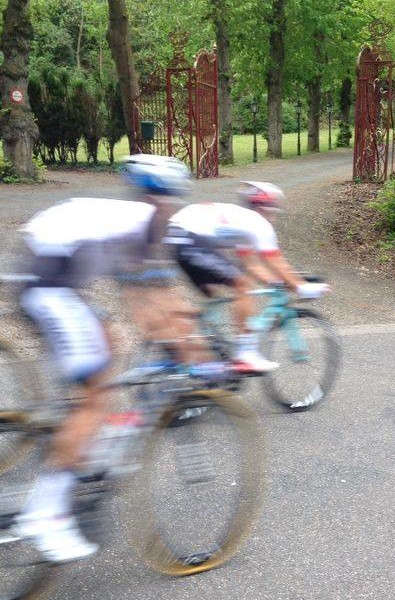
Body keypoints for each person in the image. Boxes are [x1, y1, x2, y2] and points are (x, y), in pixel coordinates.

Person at [14, 154, 204, 562]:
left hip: (56, 283)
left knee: (109, 343)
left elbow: (155, 293)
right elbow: (147, 305)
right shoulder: (142, 223)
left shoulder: (130, 219)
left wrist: (179, 325)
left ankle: (77, 441)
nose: (172, 209)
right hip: (50, 289)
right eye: (171, 200)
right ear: (161, 199)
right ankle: (45, 515)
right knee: (96, 397)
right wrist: (188, 348)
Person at [166, 181, 329, 373]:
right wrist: (301, 287)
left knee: (215, 295)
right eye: (272, 211)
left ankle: (184, 340)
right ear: (263, 207)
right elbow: (276, 261)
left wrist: (281, 282)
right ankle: (245, 355)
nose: (273, 217)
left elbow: (254, 266)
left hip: (182, 238)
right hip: (190, 240)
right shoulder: (257, 223)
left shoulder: (241, 222)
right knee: (242, 285)